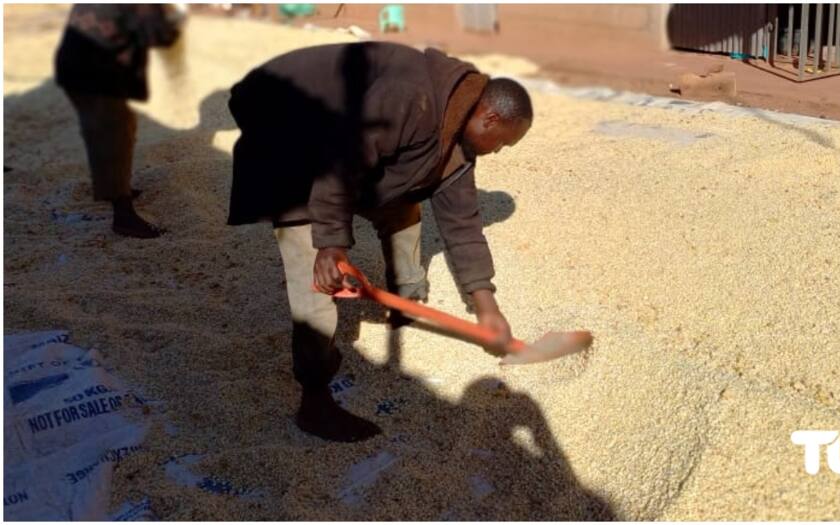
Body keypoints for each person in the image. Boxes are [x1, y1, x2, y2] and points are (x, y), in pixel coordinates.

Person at [226, 42, 533, 442]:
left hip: (340, 141)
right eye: (504, 143)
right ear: (490, 118)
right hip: (286, 121)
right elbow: (342, 161)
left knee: (404, 206)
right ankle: (314, 400)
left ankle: (405, 303)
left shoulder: (458, 129)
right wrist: (331, 245)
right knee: (317, 272)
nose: (500, 152)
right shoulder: (411, 97)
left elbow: (462, 223)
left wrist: (485, 305)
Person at [54, 4, 185, 238]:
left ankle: (116, 188)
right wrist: (175, 23)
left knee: (116, 129)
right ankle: (123, 215)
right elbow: (159, 36)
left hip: (84, 67)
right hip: (93, 74)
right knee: (111, 137)